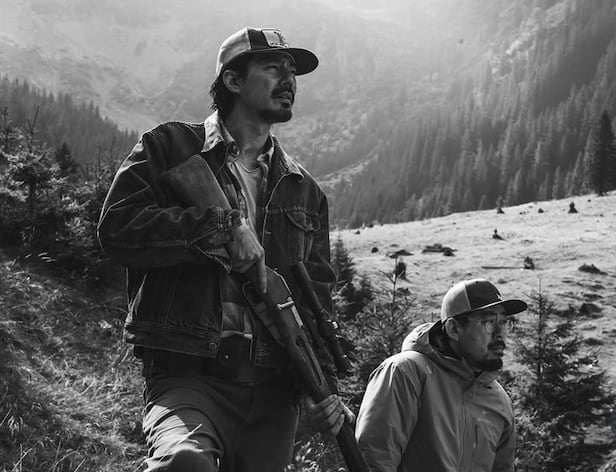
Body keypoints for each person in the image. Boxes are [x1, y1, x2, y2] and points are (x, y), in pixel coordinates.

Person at [98, 27, 349, 472]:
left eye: (292, 72)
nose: (288, 80)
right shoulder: (169, 147)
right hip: (188, 376)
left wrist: (321, 390)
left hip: (274, 395)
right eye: (273, 68)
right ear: (232, 80)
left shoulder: (305, 190)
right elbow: (117, 228)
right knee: (183, 463)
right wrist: (219, 228)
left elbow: (316, 301)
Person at [355, 278, 528, 472]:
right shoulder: (407, 373)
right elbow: (374, 461)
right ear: (454, 329)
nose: (499, 333)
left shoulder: (500, 400)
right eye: (488, 322)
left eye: (503, 322)